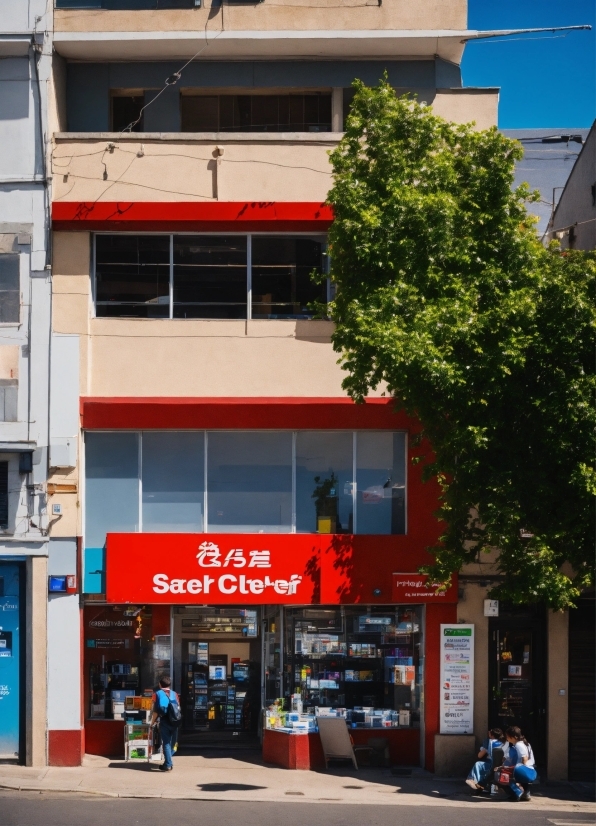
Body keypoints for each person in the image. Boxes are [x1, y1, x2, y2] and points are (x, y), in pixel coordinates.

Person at [151, 676, 181, 772]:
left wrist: (152, 722)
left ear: (160, 684)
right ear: (170, 685)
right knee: (173, 743)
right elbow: (178, 708)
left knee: (166, 743)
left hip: (164, 721)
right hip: (175, 721)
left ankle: (168, 764)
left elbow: (155, 711)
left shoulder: (157, 694)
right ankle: (168, 761)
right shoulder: (175, 694)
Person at [505, 726, 537, 801]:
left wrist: (516, 768)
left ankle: (517, 792)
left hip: (524, 771)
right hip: (531, 770)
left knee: (505, 773)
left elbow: (524, 759)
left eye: (507, 736)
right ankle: (526, 793)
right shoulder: (526, 743)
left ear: (513, 737)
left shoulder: (518, 744)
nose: (506, 738)